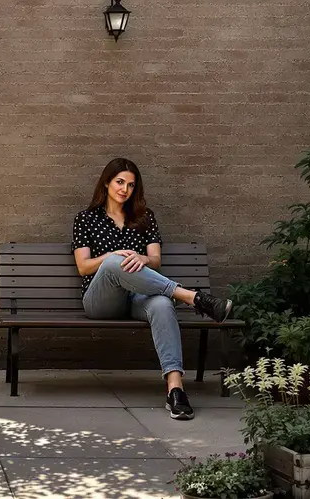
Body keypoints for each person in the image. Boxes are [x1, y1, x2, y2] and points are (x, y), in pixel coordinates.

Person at [72, 158, 233, 420]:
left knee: (161, 303)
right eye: (120, 182)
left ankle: (176, 390)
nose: (125, 189)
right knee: (114, 262)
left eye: (131, 185)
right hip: (101, 300)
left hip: (137, 297)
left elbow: (156, 260)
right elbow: (83, 266)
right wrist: (112, 257)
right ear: (107, 183)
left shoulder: (145, 217)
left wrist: (144, 259)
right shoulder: (86, 219)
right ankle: (192, 297)